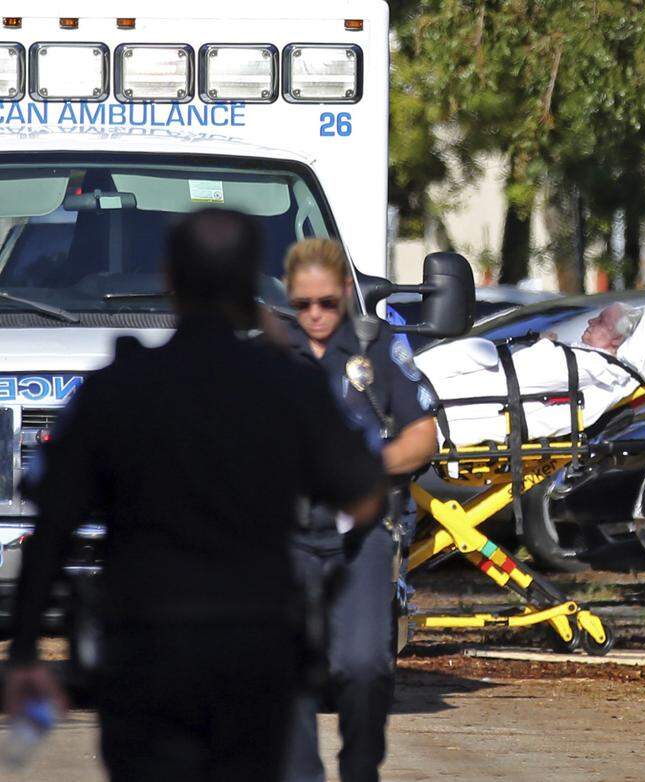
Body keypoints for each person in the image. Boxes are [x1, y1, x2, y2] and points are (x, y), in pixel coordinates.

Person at [4, 209, 388, 781]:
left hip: (146, 652)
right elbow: (364, 497)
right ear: (253, 284)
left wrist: (28, 650)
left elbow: (52, 527)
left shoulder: (118, 390)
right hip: (255, 649)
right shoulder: (288, 386)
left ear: (168, 278)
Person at [281, 238, 438, 782]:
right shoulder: (270, 355)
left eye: (326, 302)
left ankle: (359, 767)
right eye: (303, 305)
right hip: (288, 534)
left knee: (365, 666)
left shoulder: (378, 347)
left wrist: (371, 467)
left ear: (347, 292)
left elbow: (423, 436)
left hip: (362, 527)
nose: (316, 315)